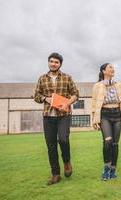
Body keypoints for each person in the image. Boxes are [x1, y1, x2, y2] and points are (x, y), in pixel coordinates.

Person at [34, 52, 79, 185]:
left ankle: (67, 162)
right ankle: (55, 174)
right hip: (48, 116)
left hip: (63, 115)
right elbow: (36, 96)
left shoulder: (67, 77)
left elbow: (75, 94)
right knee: (51, 145)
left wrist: (67, 103)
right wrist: (45, 98)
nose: (53, 64)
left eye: (56, 62)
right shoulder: (42, 78)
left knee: (63, 140)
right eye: (51, 61)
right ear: (48, 62)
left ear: (60, 64)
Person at [91, 63, 121, 181]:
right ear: (104, 71)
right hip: (104, 115)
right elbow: (93, 103)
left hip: (117, 114)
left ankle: (113, 169)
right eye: (110, 67)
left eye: (113, 67)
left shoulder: (118, 85)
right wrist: (95, 119)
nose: (112, 69)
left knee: (115, 144)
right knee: (107, 141)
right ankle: (106, 167)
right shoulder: (97, 86)